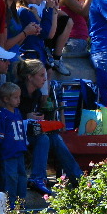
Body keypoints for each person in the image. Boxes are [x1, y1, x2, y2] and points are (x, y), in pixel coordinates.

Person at [18, 59, 82, 195]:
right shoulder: (18, 91)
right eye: (41, 75)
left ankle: (77, 178)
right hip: (15, 133)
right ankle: (37, 178)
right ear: (29, 77)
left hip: (29, 131)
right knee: (44, 139)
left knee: (54, 137)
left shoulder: (37, 94)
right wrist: (26, 116)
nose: (45, 79)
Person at [0, 81, 27, 209]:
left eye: (19, 97)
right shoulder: (2, 115)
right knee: (11, 178)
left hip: (19, 150)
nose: (18, 100)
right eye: (15, 97)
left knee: (22, 177)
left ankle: (21, 203)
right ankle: (10, 205)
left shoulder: (18, 112)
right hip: (8, 152)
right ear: (6, 99)